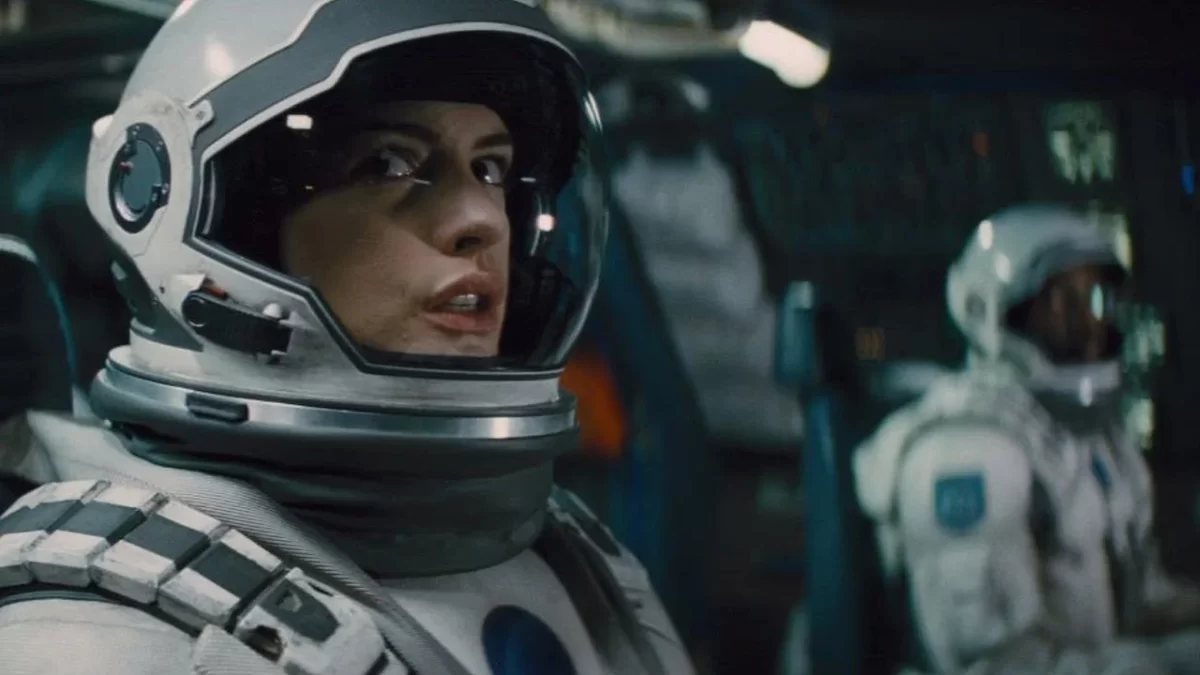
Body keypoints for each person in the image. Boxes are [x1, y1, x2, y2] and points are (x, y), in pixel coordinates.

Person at [0, 2, 695, 674]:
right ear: (201, 211)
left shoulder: (567, 554)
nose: (483, 219)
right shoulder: (101, 645)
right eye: (388, 164)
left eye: (491, 170)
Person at [853, 204, 1200, 674]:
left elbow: (1144, 602)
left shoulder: (1092, 438)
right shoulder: (968, 456)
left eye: (1097, 301)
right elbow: (994, 665)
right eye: (1060, 305)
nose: (1090, 329)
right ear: (989, 311)